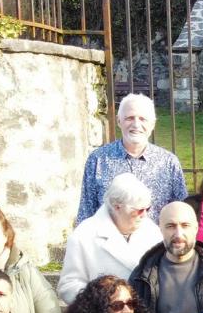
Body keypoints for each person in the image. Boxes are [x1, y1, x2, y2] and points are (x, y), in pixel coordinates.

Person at [76, 93, 188, 224]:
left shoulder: (169, 163)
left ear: (152, 124)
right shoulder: (98, 160)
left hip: (155, 242)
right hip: (107, 242)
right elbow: (86, 213)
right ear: (119, 121)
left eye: (142, 119)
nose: (136, 125)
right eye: (129, 118)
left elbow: (182, 213)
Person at [128, 200, 203, 313]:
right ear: (160, 229)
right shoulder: (142, 276)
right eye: (170, 226)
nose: (178, 234)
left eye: (185, 225)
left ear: (196, 228)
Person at [59, 174, 161, 303]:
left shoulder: (152, 231)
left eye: (148, 209)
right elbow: (68, 286)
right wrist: (105, 301)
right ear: (117, 206)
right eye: (139, 210)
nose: (144, 215)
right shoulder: (84, 235)